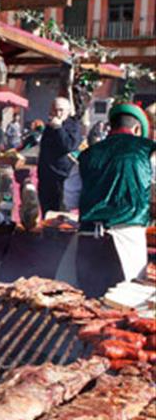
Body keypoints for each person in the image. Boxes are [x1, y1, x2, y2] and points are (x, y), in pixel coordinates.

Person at [63, 103, 155, 289]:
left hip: (88, 238)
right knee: (124, 305)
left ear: (110, 126)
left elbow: (69, 199)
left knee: (86, 303)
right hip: (127, 239)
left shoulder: (86, 155)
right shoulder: (148, 151)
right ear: (137, 129)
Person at [38, 97, 81, 215]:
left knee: (60, 216)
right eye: (55, 110)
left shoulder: (73, 126)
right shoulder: (50, 126)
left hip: (61, 177)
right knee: (46, 214)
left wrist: (59, 128)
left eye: (61, 110)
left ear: (68, 111)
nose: (58, 113)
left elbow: (69, 146)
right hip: (46, 177)